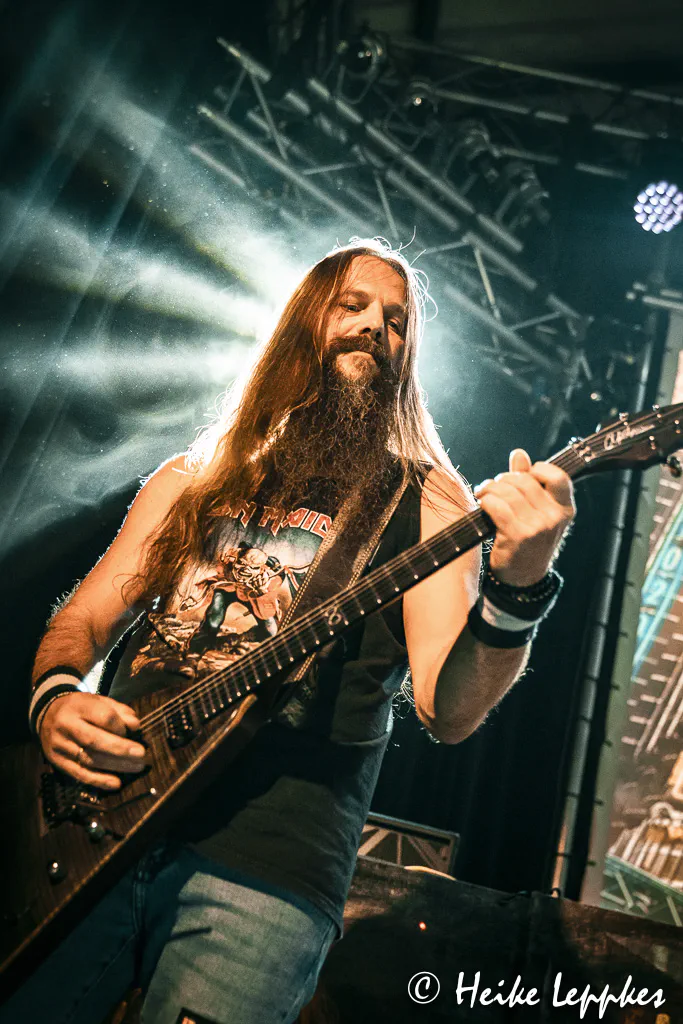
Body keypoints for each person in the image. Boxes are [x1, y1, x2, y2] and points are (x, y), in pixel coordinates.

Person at [12, 238, 575, 1024]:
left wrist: (519, 588)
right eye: (353, 306)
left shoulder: (428, 500)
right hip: (94, 826)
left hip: (265, 871)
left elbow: (448, 711)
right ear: (301, 322)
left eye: (397, 322)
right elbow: (83, 617)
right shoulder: (193, 477)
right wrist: (55, 699)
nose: (376, 328)